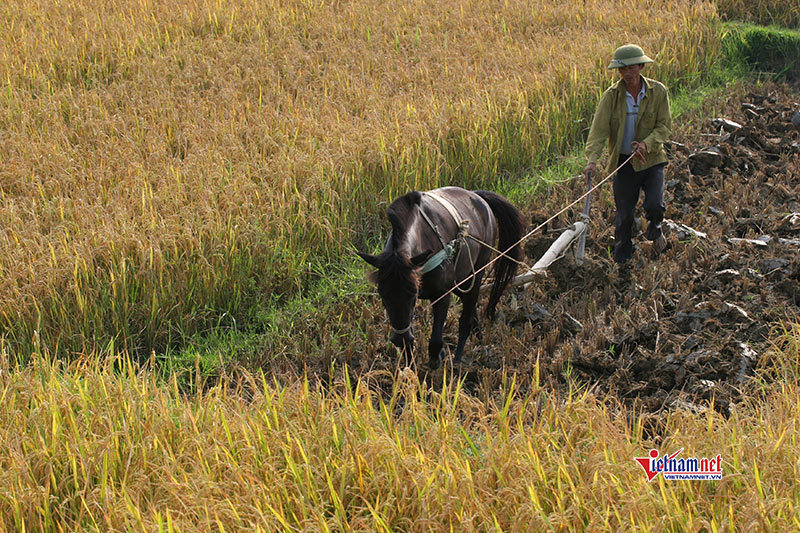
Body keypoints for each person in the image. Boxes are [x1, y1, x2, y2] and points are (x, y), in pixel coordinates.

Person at [584, 44, 671, 263]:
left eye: (632, 67)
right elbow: (598, 131)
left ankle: (655, 227)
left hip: (652, 160)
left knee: (655, 205)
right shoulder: (611, 97)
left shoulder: (658, 92)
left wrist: (646, 144)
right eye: (622, 69)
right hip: (625, 163)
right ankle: (622, 259)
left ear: (641, 66)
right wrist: (592, 160)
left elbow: (664, 127)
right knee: (624, 216)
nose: (627, 73)